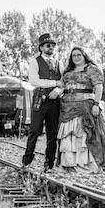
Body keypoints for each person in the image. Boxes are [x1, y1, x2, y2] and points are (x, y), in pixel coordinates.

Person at [57, 47, 105, 173]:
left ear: (84, 55)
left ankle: (87, 165)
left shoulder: (92, 69)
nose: (76, 57)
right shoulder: (67, 71)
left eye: (78, 55)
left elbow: (99, 87)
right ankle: (69, 165)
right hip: (67, 108)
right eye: (73, 55)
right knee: (69, 136)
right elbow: (62, 86)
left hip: (85, 107)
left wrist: (96, 104)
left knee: (84, 135)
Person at [22, 33, 65, 173]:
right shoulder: (35, 61)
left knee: (52, 133)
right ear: (41, 47)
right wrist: (54, 83)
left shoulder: (59, 63)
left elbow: (64, 82)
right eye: (48, 45)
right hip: (40, 99)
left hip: (54, 101)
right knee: (34, 131)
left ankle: (49, 164)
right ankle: (26, 162)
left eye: (53, 45)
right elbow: (34, 81)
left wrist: (58, 90)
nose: (51, 47)